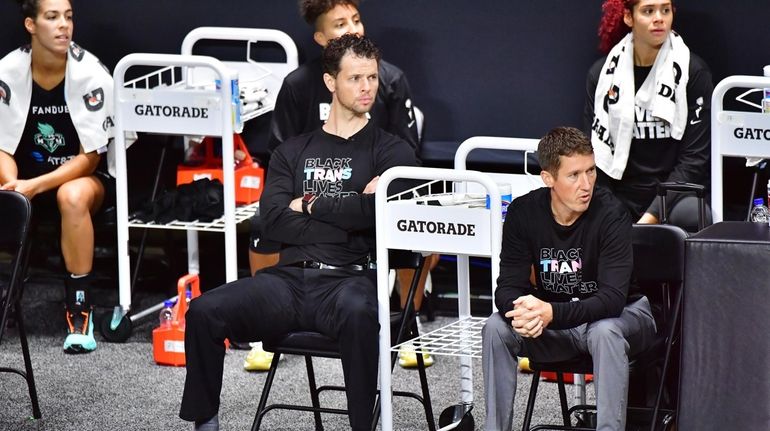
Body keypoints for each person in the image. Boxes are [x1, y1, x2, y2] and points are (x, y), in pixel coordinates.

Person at [179, 34, 419, 431]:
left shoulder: (392, 152)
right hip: (288, 279)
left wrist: (308, 203)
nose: (366, 88)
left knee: (362, 315)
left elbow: (379, 214)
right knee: (204, 311)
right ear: (330, 82)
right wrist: (352, 210)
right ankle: (206, 425)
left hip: (352, 279)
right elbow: (271, 220)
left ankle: (365, 425)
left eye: (372, 78)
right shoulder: (292, 150)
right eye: (355, 78)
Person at [245, 0, 435, 371]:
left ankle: (405, 325)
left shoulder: (390, 79)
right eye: (340, 23)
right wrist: (315, 199)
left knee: (418, 228)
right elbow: (284, 154)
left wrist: (366, 193)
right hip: (313, 187)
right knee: (261, 223)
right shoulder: (298, 85)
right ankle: (266, 328)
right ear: (320, 38)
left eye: (357, 20)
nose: (353, 29)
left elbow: (406, 161)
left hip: (369, 191)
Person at [482, 127, 657, 431]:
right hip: (555, 323)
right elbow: (507, 287)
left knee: (605, 331)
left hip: (624, 315)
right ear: (548, 178)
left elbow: (612, 300)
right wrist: (525, 312)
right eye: (574, 175)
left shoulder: (612, 213)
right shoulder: (524, 212)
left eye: (591, 171)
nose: (586, 184)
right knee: (496, 327)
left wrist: (551, 313)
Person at [0, 0, 118, 354]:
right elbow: (1, 146)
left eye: (68, 17)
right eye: (52, 17)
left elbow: (90, 158)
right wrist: (12, 187)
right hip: (23, 179)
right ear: (30, 25)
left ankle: (80, 309)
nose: (63, 25)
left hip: (84, 180)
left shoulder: (92, 75)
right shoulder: (7, 71)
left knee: (71, 195)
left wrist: (32, 188)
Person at [584, 0, 713, 232]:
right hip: (621, 193)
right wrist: (614, 213)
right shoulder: (602, 76)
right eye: (648, 11)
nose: (659, 18)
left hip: (675, 195)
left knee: (693, 214)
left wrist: (649, 218)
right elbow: (593, 154)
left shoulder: (693, 72)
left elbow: (694, 161)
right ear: (628, 17)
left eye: (665, 10)